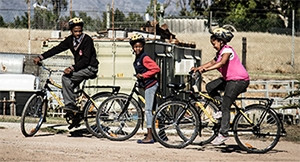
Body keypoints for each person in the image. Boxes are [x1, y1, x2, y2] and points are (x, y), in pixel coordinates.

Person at [191, 27, 250, 145]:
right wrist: (199, 68)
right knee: (210, 87)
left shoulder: (227, 50)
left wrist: (205, 70)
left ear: (221, 41)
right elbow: (213, 62)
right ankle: (221, 107)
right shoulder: (220, 52)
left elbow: (222, 63)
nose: (213, 45)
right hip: (229, 80)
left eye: (215, 43)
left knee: (226, 106)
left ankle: (223, 134)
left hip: (238, 80)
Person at [33, 17, 99, 112]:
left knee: (65, 78)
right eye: (75, 31)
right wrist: (41, 57)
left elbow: (85, 60)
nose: (78, 34)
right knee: (67, 87)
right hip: (81, 68)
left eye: (80, 31)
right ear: (71, 31)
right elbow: (57, 49)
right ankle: (75, 115)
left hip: (90, 68)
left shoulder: (87, 40)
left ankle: (71, 105)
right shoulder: (70, 40)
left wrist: (72, 68)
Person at [129, 33, 160, 144]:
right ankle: (159, 135)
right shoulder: (138, 57)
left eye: (140, 46)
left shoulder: (144, 57)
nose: (138, 48)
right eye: (136, 46)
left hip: (150, 85)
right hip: (147, 85)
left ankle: (150, 136)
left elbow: (156, 69)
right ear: (133, 47)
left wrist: (144, 76)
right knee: (155, 110)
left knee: (148, 110)